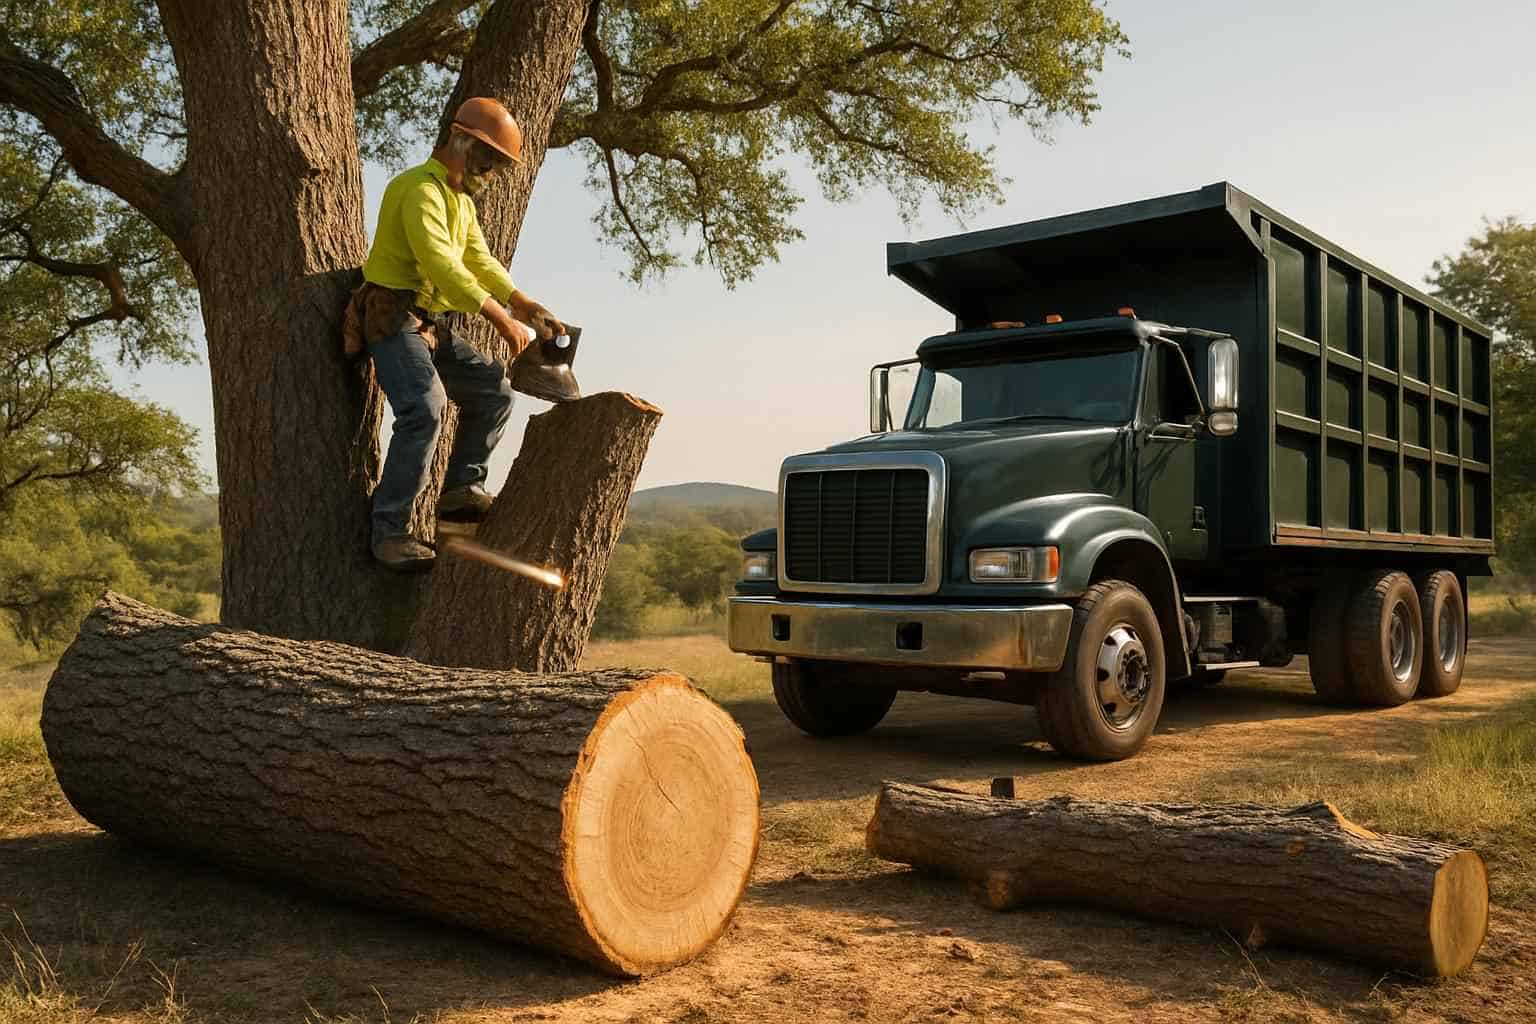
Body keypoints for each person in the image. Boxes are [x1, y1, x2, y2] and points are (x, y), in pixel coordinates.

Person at [354, 97, 565, 572]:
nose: (490, 170)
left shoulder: (461, 204)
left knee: (495, 391)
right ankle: (389, 532)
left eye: (497, 164)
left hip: (429, 322)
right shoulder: (418, 190)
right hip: (391, 317)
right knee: (424, 410)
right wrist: (501, 319)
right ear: (459, 138)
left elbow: (477, 260)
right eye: (487, 157)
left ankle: (460, 493)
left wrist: (525, 304)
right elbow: (441, 265)